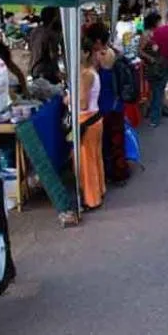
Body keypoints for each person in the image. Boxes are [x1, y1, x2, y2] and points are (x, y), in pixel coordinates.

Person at [85, 23, 131, 185]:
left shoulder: (104, 57)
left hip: (107, 106)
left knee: (109, 142)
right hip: (113, 105)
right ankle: (117, 172)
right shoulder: (113, 53)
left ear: (97, 41)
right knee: (115, 141)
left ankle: (114, 173)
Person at [78, 40, 107, 209]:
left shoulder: (86, 75)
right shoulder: (90, 72)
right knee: (95, 158)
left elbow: (82, 103)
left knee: (88, 162)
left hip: (86, 119)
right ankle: (98, 190)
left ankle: (92, 199)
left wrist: (69, 99)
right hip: (94, 118)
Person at [28, 6, 62, 84]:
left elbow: (31, 49)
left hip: (33, 69)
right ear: (54, 18)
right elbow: (52, 55)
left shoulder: (35, 31)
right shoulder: (50, 34)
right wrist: (58, 72)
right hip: (46, 72)